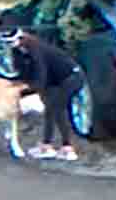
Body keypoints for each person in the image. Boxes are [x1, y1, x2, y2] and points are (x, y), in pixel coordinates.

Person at [7, 29, 83, 161]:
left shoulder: (36, 49)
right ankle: (54, 146)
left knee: (56, 110)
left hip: (70, 78)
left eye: (13, 41)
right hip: (55, 80)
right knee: (52, 109)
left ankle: (60, 148)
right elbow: (23, 72)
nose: (11, 45)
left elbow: (40, 76)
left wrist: (28, 92)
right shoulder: (20, 51)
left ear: (21, 38)